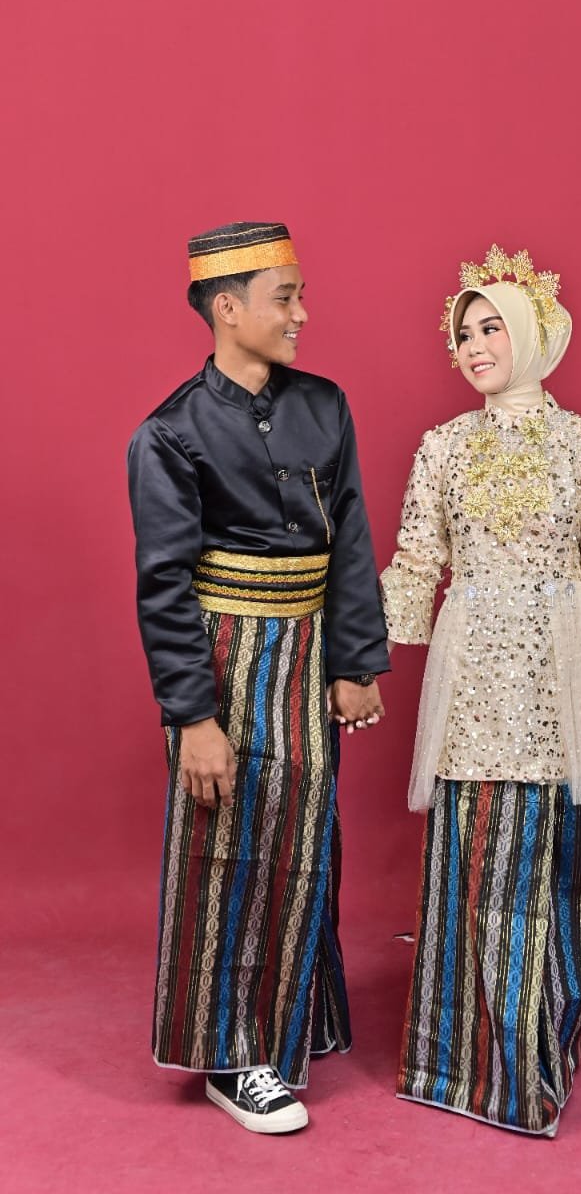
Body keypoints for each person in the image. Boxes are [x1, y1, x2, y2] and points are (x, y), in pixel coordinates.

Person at [380, 245, 581, 1136]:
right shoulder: (444, 448)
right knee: (476, 850)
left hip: (561, 674)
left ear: (536, 333)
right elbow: (415, 564)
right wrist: (354, 662)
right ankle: (459, 1066)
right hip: (470, 679)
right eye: (464, 333)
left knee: (548, 857)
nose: (475, 347)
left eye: (493, 328)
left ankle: (537, 1055)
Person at [127, 221, 388, 1134]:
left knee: (305, 833)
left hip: (310, 651)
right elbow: (163, 585)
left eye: (301, 295)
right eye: (286, 298)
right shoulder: (168, 433)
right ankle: (233, 1056)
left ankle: (296, 1023)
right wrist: (192, 717)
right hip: (226, 659)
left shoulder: (326, 405)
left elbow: (350, 536)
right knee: (230, 846)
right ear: (228, 308)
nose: (303, 313)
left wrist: (356, 661)